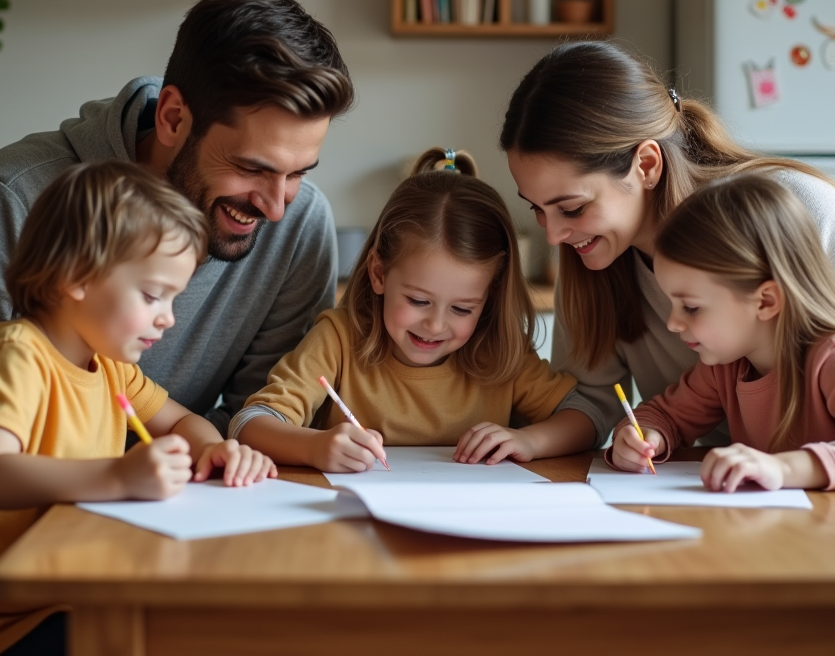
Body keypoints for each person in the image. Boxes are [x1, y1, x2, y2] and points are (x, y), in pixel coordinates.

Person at [0, 0, 353, 654]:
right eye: (253, 168)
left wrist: (216, 453)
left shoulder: (297, 224)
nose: (278, 207)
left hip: (130, 552)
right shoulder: (17, 203)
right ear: (173, 117)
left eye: (300, 173)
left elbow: (259, 415)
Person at [500, 40, 835, 542]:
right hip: (762, 495)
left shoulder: (797, 215)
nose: (553, 235)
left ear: (646, 165)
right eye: (536, 208)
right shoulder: (599, 264)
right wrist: (638, 434)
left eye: (571, 208)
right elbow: (621, 404)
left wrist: (780, 470)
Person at [0, 161, 276, 656]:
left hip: (60, 600)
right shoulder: (19, 357)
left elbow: (183, 421)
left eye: (173, 299)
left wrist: (214, 450)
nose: (168, 318)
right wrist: (118, 477)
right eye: (153, 295)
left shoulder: (109, 366)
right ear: (76, 276)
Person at [606, 173, 835, 656]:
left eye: (691, 307)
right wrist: (644, 435)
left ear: (765, 300)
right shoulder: (725, 367)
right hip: (827, 571)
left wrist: (780, 468)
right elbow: (667, 414)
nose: (674, 323)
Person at [230, 148, 594, 471]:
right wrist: (313, 447)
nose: (435, 325)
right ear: (378, 274)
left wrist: (530, 440)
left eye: (462, 309)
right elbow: (250, 423)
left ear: (490, 297)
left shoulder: (498, 349)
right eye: (418, 301)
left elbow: (587, 416)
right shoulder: (339, 338)